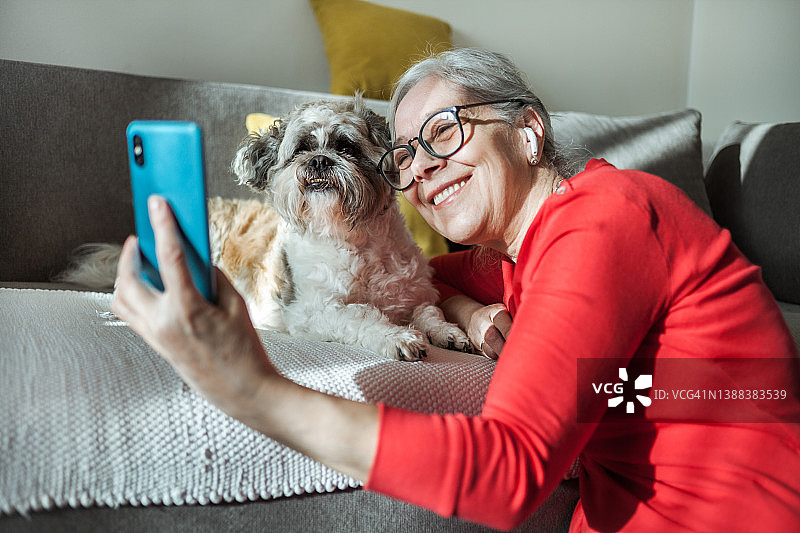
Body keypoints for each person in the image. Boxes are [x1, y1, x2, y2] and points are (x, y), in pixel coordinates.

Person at [112, 48, 800, 531]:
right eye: (405, 156)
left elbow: (509, 473)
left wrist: (253, 391)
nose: (423, 170)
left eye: (444, 132)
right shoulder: (523, 255)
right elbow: (418, 277)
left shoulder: (604, 219)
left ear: (529, 130)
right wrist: (466, 312)